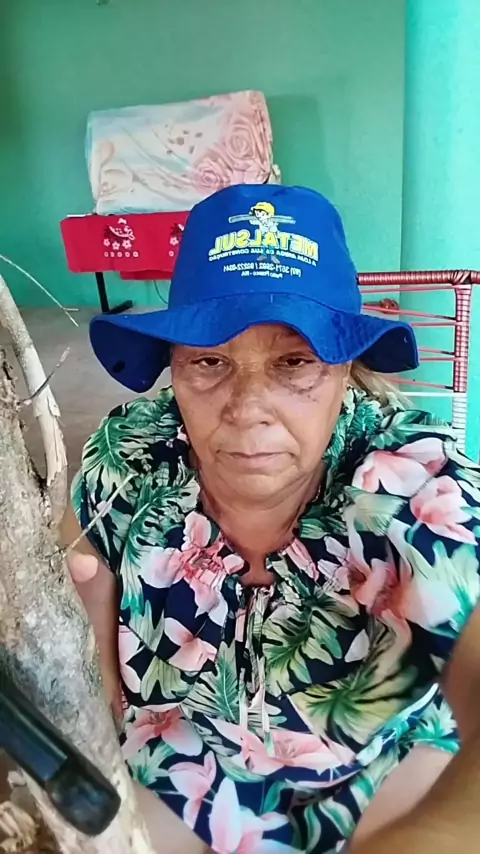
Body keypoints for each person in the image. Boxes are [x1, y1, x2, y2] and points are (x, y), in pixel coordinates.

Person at [61, 184, 480, 854]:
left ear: (345, 367)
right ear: (173, 366)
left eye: (295, 362)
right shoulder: (132, 457)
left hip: (375, 772)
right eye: (209, 360)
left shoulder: (414, 484)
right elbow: (84, 574)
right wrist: (98, 696)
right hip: (185, 765)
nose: (248, 407)